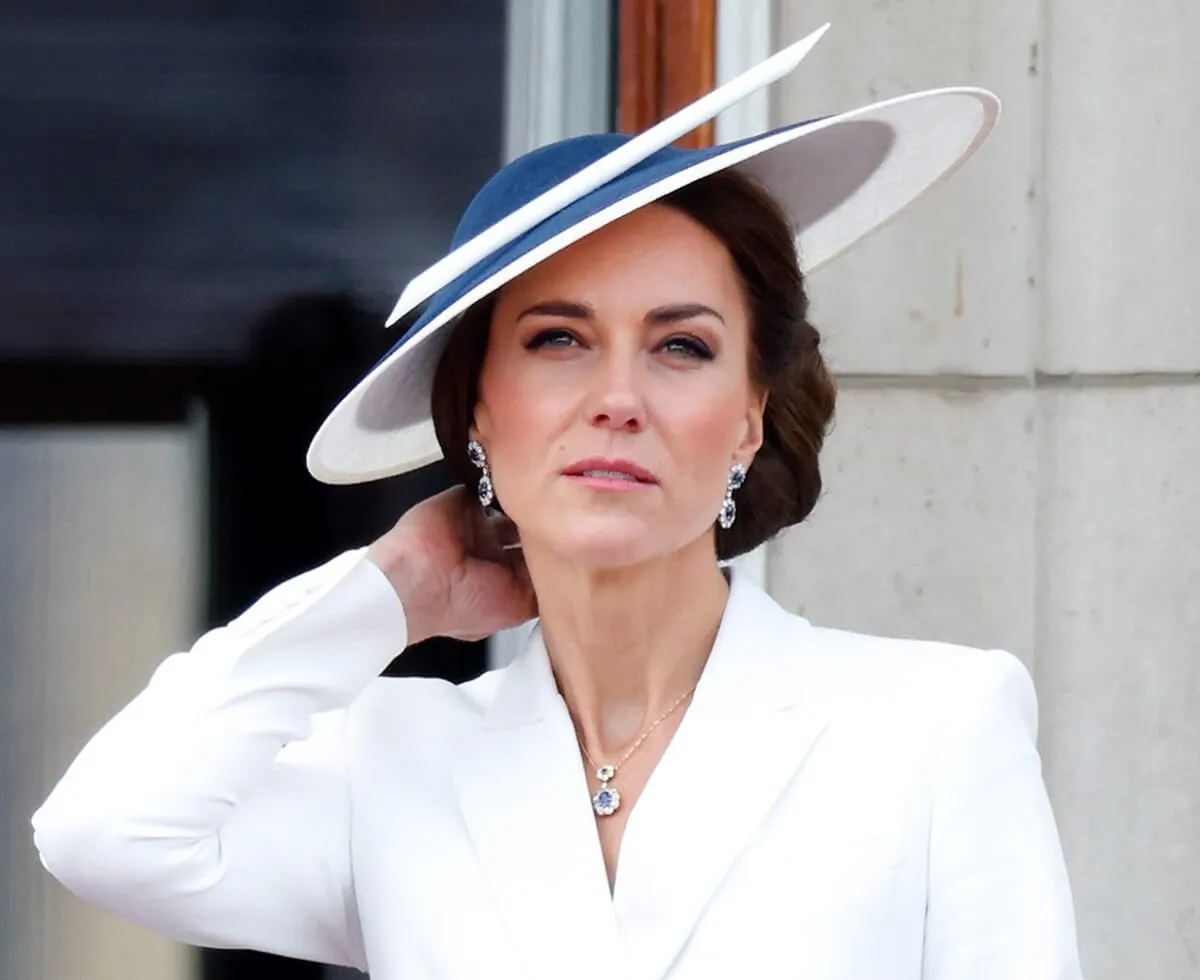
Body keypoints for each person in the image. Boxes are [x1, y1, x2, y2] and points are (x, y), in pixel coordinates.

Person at [32, 30, 1081, 980]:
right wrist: (393, 589)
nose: (618, 399)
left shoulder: (934, 724)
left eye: (681, 345)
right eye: (558, 340)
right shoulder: (396, 760)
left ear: (750, 417)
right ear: (478, 409)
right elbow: (106, 832)